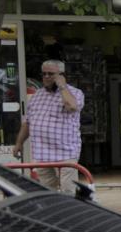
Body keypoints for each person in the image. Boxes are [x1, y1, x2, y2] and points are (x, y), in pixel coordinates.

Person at [13, 60, 84, 192]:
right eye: (44, 74)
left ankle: (68, 212)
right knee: (47, 191)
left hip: (66, 152)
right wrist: (19, 143)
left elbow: (72, 107)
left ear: (61, 75)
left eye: (50, 74)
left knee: (68, 189)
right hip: (42, 152)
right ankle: (53, 212)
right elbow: (28, 122)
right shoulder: (37, 95)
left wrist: (62, 86)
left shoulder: (75, 93)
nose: (46, 77)